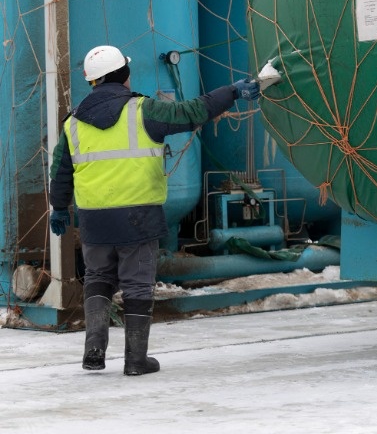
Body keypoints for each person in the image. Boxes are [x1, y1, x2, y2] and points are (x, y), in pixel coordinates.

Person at [48, 44, 261, 376]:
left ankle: (94, 348)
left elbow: (61, 170)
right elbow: (193, 112)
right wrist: (231, 91)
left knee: (98, 278)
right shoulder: (144, 110)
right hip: (138, 216)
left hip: (94, 218)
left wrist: (59, 207)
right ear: (123, 74)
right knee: (136, 285)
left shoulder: (73, 122)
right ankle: (136, 360)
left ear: (92, 81)